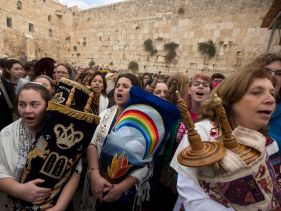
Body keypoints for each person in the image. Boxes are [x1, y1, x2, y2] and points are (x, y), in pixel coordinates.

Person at [171, 67, 280, 210]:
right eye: (257, 92)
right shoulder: (202, 134)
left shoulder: (271, 145)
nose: (271, 100)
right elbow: (193, 198)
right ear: (231, 99)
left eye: (272, 93)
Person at [0, 82, 80, 210]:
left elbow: (75, 170)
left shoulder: (59, 131)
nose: (27, 110)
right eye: (22, 104)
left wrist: (59, 208)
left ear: (48, 106)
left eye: (34, 104)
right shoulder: (6, 134)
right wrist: (20, 190)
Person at [84, 73, 151, 211]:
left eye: (125, 86)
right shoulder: (105, 114)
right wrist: (95, 176)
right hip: (99, 183)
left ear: (135, 92)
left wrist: (121, 188)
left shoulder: (144, 122)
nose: (119, 89)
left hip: (125, 192)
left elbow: (146, 162)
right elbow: (92, 145)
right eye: (117, 86)